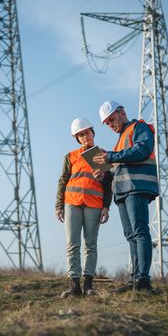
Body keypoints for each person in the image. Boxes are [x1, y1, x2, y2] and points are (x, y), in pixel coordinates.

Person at [93, 100, 159, 293]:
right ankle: (135, 280)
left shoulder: (139, 128)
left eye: (111, 119)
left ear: (121, 112)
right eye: (107, 123)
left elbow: (142, 150)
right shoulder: (121, 139)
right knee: (131, 236)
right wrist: (105, 173)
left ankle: (143, 281)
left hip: (136, 188)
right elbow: (119, 165)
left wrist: (111, 157)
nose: (110, 124)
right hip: (122, 191)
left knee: (139, 232)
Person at [55, 117, 112, 298]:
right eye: (80, 135)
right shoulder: (70, 156)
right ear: (77, 139)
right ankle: (74, 287)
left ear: (93, 133)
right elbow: (63, 181)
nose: (85, 136)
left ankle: (88, 286)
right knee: (72, 244)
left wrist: (106, 207)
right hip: (72, 203)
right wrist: (59, 205)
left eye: (87, 132)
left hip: (94, 205)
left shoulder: (103, 154)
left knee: (91, 244)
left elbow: (108, 184)